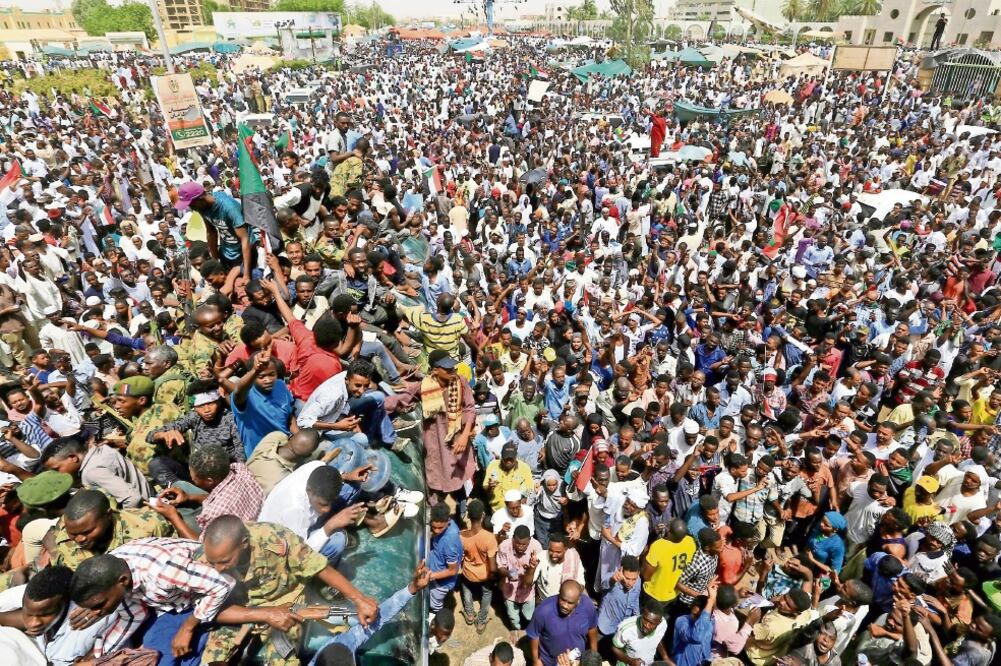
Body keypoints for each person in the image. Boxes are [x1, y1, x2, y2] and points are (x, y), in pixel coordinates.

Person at [198, 515, 378, 663]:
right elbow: (210, 611)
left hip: (287, 605)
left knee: (283, 658)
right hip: (239, 612)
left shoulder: (275, 537)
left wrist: (359, 600)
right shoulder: (207, 559)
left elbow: (317, 566)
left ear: (244, 543)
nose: (218, 569)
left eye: (224, 562)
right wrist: (266, 614)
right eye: (213, 562)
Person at [40, 434, 152, 509]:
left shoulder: (91, 472)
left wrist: (126, 521)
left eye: (56, 469)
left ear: (73, 457)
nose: (57, 474)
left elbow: (133, 498)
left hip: (146, 510)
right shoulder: (100, 450)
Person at [526, 580, 598, 666]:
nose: (565, 605)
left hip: (577, 661)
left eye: (570, 603)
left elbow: (592, 628)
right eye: (563, 599)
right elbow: (534, 636)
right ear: (559, 593)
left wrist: (593, 655)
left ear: (578, 601)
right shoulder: (543, 610)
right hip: (550, 661)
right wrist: (536, 660)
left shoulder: (587, 606)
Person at [460, 499, 497, 634]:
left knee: (466, 586)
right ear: (483, 515)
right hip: (484, 574)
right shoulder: (489, 537)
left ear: (468, 516)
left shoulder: (461, 535)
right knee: (487, 593)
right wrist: (494, 576)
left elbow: (460, 557)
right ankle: (481, 622)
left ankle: (469, 614)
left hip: (468, 573)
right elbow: (492, 568)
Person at [427, 502, 463, 613]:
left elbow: (453, 571)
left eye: (440, 527)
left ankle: (437, 615)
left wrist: (430, 576)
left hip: (441, 583)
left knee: (435, 604)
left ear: (447, 522)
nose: (436, 531)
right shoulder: (451, 523)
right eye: (433, 527)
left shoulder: (449, 542)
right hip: (435, 571)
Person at [672, 580, 717, 666]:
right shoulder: (682, 621)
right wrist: (710, 600)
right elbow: (696, 637)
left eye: (702, 616)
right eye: (695, 615)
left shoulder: (711, 622)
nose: (698, 621)